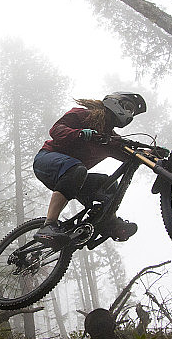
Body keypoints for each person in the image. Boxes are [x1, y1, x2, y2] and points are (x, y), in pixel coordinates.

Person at [33, 92, 146, 247]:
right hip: (47, 160)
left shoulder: (110, 139)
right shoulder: (84, 115)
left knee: (110, 185)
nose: (129, 113)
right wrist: (79, 134)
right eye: (128, 107)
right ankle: (48, 225)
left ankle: (109, 223)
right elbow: (56, 130)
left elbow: (128, 155)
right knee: (77, 169)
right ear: (115, 102)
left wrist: (151, 154)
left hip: (73, 177)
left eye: (132, 112)